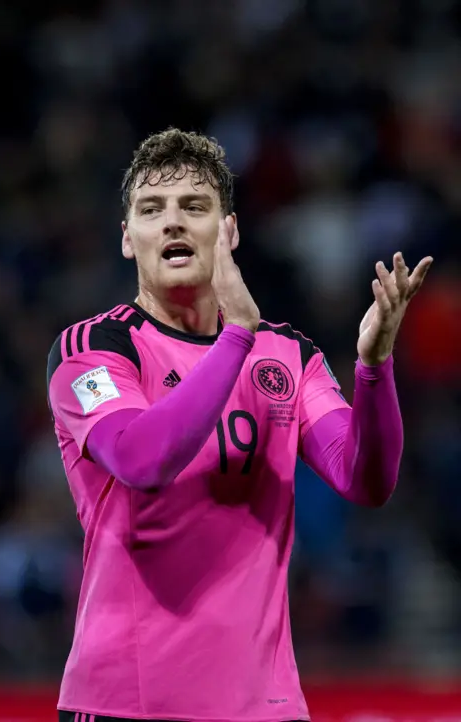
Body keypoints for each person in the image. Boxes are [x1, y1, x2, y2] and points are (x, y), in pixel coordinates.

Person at [46, 128, 432, 722]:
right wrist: (236, 338)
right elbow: (141, 460)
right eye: (151, 210)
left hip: (263, 707)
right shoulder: (95, 350)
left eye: (194, 207)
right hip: (128, 703)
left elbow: (365, 479)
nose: (172, 223)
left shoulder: (289, 358)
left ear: (228, 231)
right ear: (129, 239)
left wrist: (374, 369)